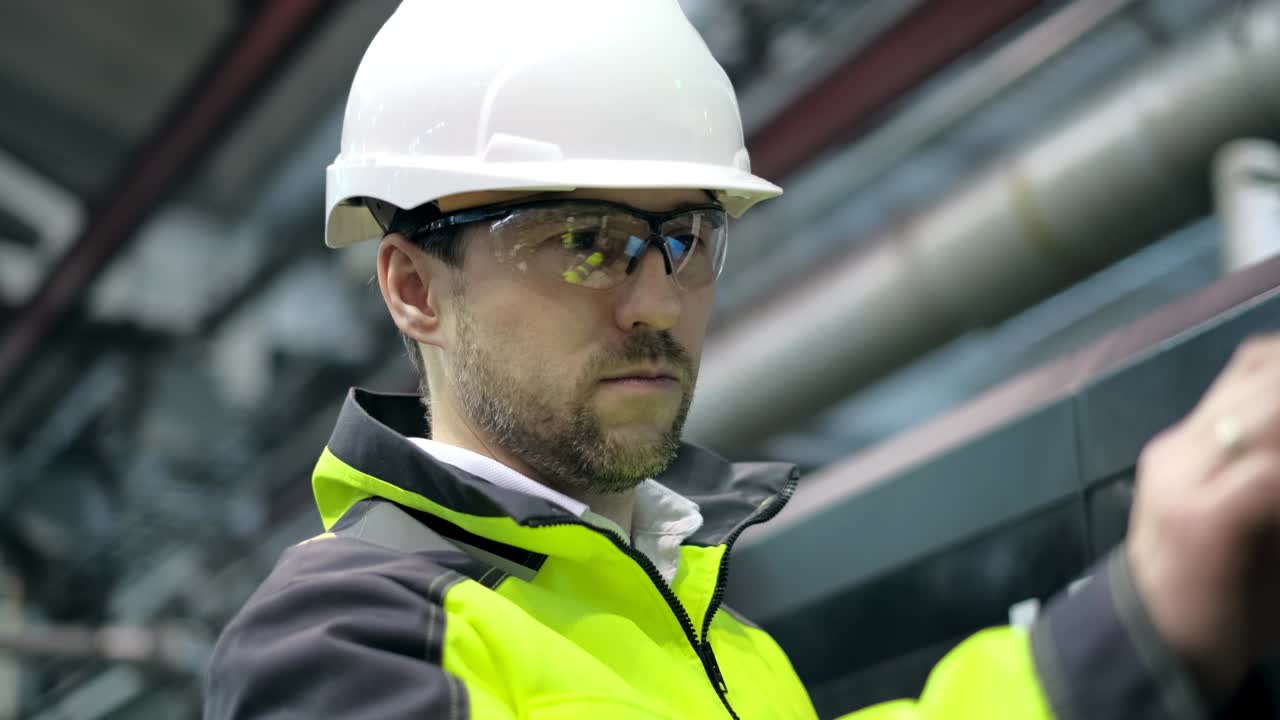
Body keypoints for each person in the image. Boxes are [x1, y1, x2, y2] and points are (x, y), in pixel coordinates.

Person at [204, 1, 1279, 717]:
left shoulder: (726, 639)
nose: (658, 302)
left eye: (688, 237)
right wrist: (1120, 640)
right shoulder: (347, 643)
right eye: (583, 242)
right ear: (411, 286)